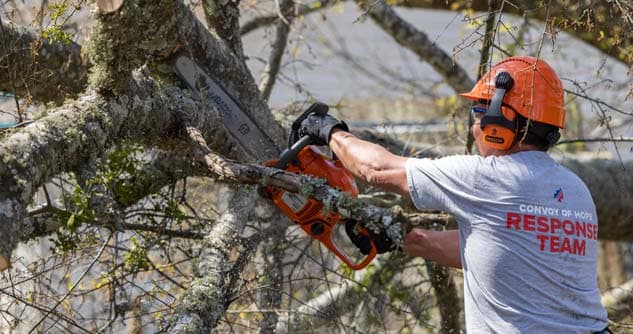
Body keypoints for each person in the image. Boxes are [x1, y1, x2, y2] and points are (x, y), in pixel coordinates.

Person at [296, 56, 611, 333]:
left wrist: (330, 131)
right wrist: (403, 238)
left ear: (500, 121)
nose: (475, 127)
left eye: (478, 113)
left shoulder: (487, 178)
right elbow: (494, 248)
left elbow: (376, 168)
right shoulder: (574, 189)